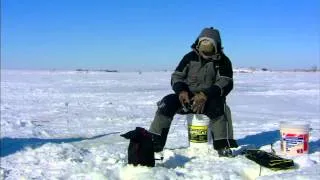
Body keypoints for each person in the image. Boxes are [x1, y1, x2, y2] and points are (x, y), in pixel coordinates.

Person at [149, 27, 238, 156]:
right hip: (187, 99)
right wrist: (181, 91)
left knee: (221, 109)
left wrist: (205, 95)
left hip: (210, 100)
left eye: (209, 53)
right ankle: (153, 143)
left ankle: (223, 146)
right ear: (198, 45)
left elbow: (225, 82)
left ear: (216, 46)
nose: (205, 55)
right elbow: (177, 76)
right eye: (203, 52)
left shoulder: (223, 61)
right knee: (166, 103)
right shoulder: (189, 58)